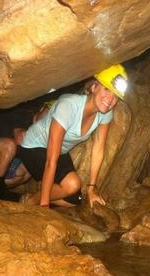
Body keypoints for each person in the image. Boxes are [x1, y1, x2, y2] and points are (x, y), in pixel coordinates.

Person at [18, 64, 128, 208]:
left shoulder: (106, 113)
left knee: (75, 200)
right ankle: (34, 200)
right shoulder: (68, 106)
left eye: (115, 96)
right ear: (94, 87)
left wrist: (91, 189)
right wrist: (44, 206)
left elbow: (98, 148)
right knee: (72, 185)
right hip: (33, 147)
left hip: (59, 151)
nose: (110, 99)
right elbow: (51, 160)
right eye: (107, 89)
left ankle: (39, 192)